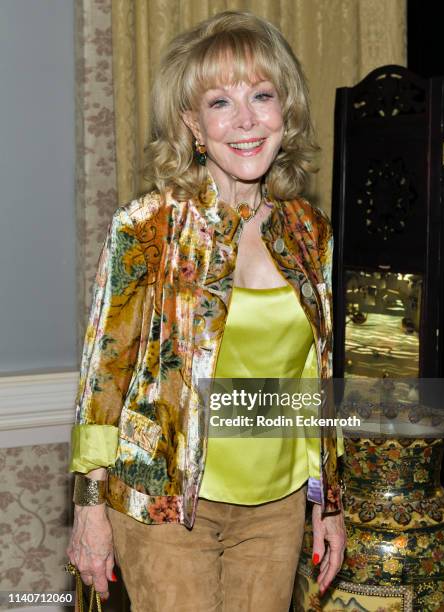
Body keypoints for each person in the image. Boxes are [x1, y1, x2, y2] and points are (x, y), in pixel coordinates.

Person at [67, 10, 346, 612]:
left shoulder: (310, 234)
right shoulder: (147, 228)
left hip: (277, 509)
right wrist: (89, 510)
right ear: (192, 122)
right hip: (167, 506)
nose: (246, 121)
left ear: (286, 110)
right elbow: (103, 380)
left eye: (262, 95)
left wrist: (328, 505)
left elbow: (311, 384)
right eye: (221, 102)